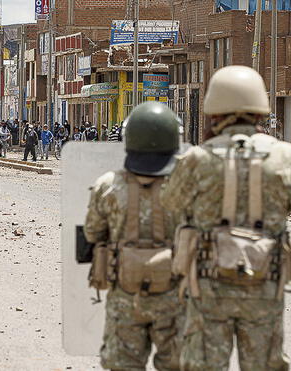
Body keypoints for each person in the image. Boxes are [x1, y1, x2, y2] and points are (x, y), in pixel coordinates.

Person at [160, 65, 291, 371]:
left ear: (214, 111)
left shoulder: (197, 159)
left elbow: (171, 203)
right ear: (260, 110)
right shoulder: (285, 155)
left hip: (208, 285)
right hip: (263, 283)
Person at [84, 102, 184, 371]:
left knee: (122, 365)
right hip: (175, 296)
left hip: (125, 294)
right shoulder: (186, 186)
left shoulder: (108, 186)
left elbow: (92, 233)